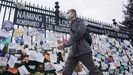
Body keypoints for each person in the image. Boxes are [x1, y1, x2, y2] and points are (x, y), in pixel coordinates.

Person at [57, 9, 103, 75]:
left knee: (94, 71)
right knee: (66, 72)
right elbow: (73, 38)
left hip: (83, 51)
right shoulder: (71, 24)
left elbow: (77, 35)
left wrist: (64, 44)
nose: (66, 14)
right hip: (73, 53)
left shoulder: (80, 22)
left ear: (73, 14)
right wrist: (64, 42)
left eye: (68, 13)